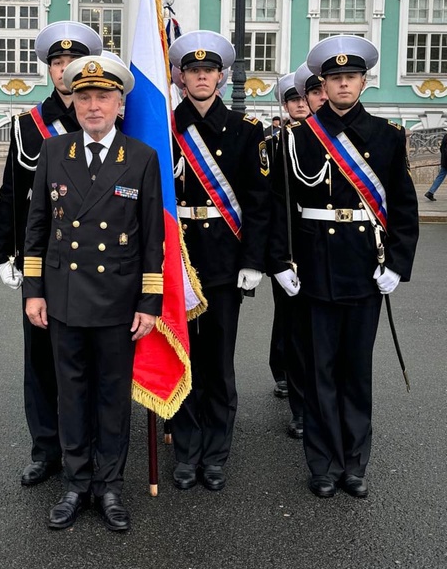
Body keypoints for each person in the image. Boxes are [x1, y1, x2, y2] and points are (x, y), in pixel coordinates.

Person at [269, 36, 419, 499]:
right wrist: (279, 262)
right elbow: (279, 207)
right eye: (334, 79)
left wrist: (396, 263)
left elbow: (403, 207)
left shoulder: (387, 137)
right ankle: (321, 464)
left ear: (363, 82)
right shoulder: (296, 138)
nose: (343, 85)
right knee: (318, 373)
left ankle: (354, 463)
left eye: (350, 77)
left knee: (355, 372)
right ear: (323, 85)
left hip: (363, 270)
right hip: (312, 269)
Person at [22, 55, 164, 531]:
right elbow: (37, 225)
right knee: (71, 393)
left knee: (111, 396)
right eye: (84, 97)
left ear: (120, 105)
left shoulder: (141, 158)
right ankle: (75, 483)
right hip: (63, 297)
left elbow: (151, 239)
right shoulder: (54, 152)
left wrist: (149, 301)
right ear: (75, 103)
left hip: (118, 299)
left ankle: (109, 487)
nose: (93, 106)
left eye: (103, 97)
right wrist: (33, 291)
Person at [0, 21, 103, 488]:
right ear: (48, 70)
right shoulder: (26, 128)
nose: (63, 71)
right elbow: (12, 195)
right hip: (44, 261)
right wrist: (4, 250)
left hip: (97, 264)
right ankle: (45, 448)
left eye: (71, 63)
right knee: (40, 358)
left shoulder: (103, 118)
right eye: (57, 63)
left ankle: (91, 446)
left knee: (93, 359)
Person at [167, 30, 271, 492]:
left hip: (225, 262)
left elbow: (259, 202)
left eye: (209, 70)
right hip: (178, 259)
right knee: (184, 358)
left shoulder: (247, 132)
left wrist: (254, 261)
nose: (202, 77)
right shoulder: (163, 126)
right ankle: (187, 450)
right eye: (193, 71)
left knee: (219, 363)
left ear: (222, 77)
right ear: (182, 78)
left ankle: (216, 453)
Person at [268, 73, 309, 438]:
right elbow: (272, 202)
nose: (301, 104)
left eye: (306, 96)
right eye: (293, 99)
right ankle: (286, 379)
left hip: (325, 249)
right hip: (291, 250)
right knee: (290, 324)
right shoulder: (276, 143)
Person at [424, 131, 447, 201]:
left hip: (445, 160)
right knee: (440, 176)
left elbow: (441, 148)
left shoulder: (446, 136)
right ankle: (430, 192)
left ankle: (430, 192)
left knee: (440, 177)